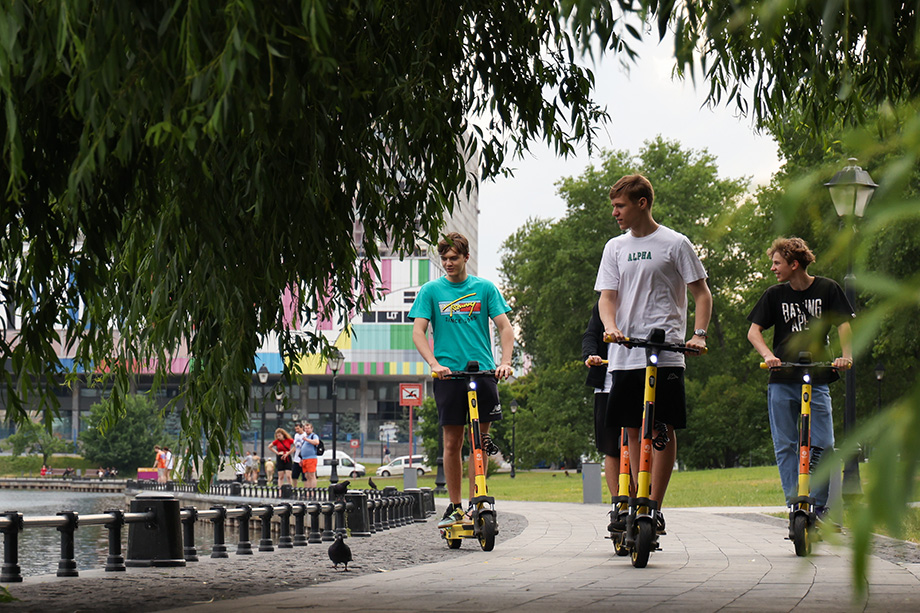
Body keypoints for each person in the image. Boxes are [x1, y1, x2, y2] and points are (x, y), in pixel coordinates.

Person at [594, 174, 712, 535]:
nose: (615, 212)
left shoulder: (675, 243)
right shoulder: (614, 247)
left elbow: (702, 294)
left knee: (663, 428)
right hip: (626, 354)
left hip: (666, 352)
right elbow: (607, 297)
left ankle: (654, 506)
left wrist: (699, 335)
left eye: (620, 205)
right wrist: (611, 327)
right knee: (631, 428)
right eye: (614, 206)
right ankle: (632, 500)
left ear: (642, 203)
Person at [408, 232, 514, 529]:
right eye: (444, 258)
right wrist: (433, 363)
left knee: (479, 441)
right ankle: (454, 507)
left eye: (454, 257)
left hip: (482, 373)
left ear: (466, 257)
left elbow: (505, 328)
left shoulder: (484, 289)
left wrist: (504, 362)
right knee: (453, 442)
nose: (448, 263)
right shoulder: (431, 291)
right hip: (449, 375)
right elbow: (418, 332)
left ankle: (475, 504)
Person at [746, 236, 854, 520]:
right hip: (782, 379)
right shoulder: (774, 294)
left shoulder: (828, 289)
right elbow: (753, 332)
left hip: (817, 377)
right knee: (785, 444)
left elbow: (843, 324)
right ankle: (795, 502)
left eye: (777, 263)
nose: (773, 268)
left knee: (824, 444)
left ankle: (816, 504)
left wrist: (845, 356)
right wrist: (769, 355)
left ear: (794, 264)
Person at [582, 300, 621, 502]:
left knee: (640, 441)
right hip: (606, 383)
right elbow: (590, 334)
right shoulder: (603, 304)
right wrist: (591, 355)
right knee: (610, 447)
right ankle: (618, 503)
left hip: (637, 377)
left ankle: (640, 498)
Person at [299, 422, 320, 489]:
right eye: (306, 428)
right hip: (304, 458)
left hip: (311, 458)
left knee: (311, 475)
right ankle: (308, 490)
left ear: (312, 429)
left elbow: (316, 442)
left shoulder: (313, 436)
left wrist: (307, 440)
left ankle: (313, 490)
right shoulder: (306, 437)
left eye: (308, 428)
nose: (307, 430)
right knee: (306, 475)